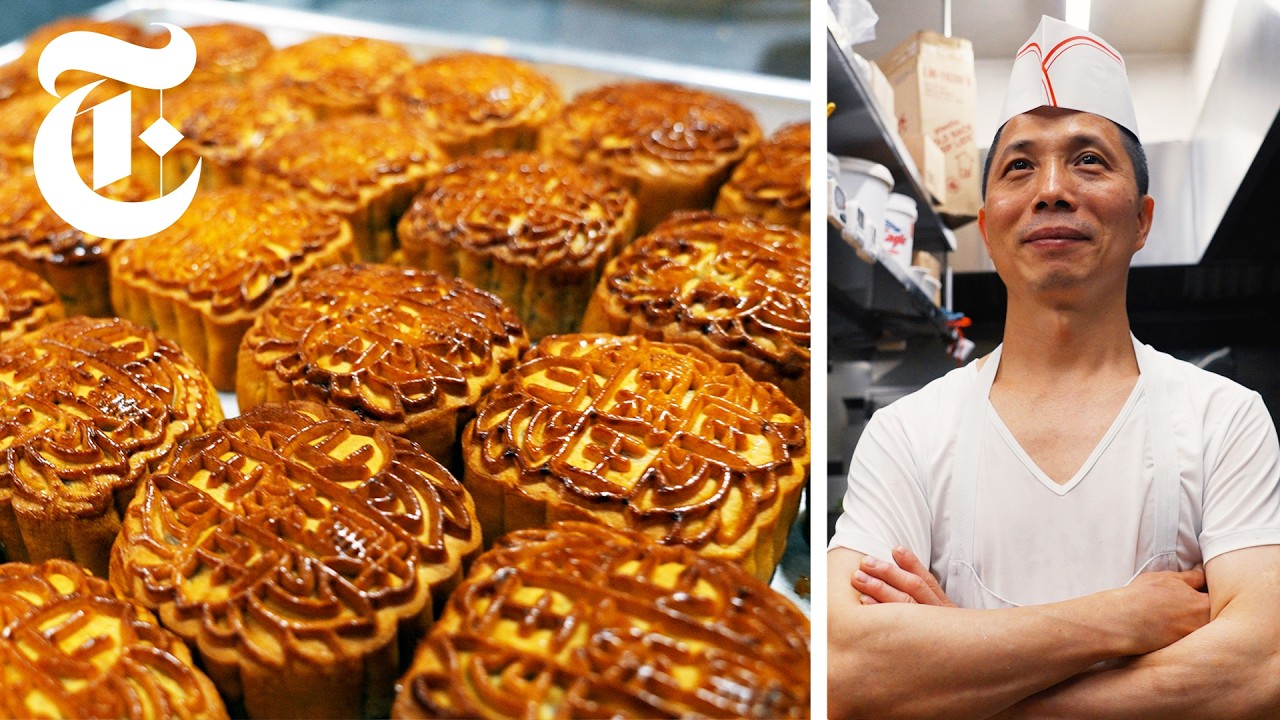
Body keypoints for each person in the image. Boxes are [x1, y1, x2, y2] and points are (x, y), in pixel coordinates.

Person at [827, 16, 1280, 719]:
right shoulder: (908, 434)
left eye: (1089, 160)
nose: (1051, 190)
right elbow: (844, 668)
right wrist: (1118, 620)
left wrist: (957, 678)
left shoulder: (1225, 420)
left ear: (1143, 220)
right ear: (989, 225)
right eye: (1019, 166)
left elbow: (1260, 670)